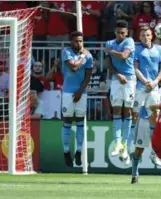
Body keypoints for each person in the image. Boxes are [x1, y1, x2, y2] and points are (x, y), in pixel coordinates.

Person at [131, 67, 161, 184]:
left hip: (158, 124)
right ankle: (134, 175)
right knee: (139, 150)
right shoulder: (146, 87)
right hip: (144, 120)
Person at [131, 26, 161, 166]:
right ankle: (127, 145)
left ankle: (154, 152)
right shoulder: (137, 49)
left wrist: (155, 82)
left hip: (154, 88)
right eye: (143, 35)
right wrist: (145, 81)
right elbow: (136, 68)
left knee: (154, 118)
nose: (145, 37)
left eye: (148, 35)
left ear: (152, 36)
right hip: (140, 87)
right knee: (133, 115)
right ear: (139, 37)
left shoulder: (159, 49)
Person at [104, 20, 135, 164]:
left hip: (130, 79)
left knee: (127, 111)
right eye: (118, 32)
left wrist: (110, 51)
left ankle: (125, 147)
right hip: (117, 79)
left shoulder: (129, 41)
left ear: (127, 32)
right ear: (115, 31)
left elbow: (123, 56)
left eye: (123, 32)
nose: (121, 35)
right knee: (116, 109)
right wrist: (117, 74)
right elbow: (108, 63)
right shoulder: (110, 43)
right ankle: (117, 143)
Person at [61, 31, 93, 167]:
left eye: (80, 41)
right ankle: (66, 152)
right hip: (68, 92)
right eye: (76, 41)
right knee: (68, 120)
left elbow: (88, 74)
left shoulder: (88, 55)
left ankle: (79, 152)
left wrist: (81, 90)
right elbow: (74, 67)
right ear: (71, 41)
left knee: (80, 121)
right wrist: (82, 56)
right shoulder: (66, 52)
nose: (78, 43)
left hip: (81, 93)